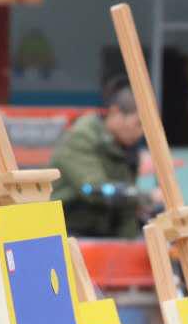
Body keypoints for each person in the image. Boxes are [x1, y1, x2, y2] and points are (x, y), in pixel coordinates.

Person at [49, 77, 155, 238]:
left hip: (105, 233)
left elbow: (125, 209)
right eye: (138, 124)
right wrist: (144, 197)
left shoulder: (126, 147)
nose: (141, 133)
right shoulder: (81, 137)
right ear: (115, 113)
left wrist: (131, 246)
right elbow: (93, 190)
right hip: (68, 230)